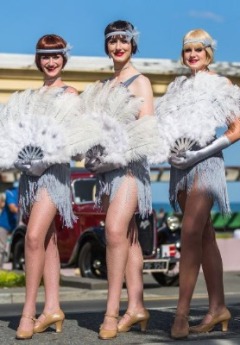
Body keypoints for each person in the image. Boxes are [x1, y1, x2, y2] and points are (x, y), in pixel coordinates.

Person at [156, 29, 240, 339]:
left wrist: (201, 152)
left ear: (209, 53)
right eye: (187, 49)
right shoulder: (177, 87)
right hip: (180, 169)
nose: (192, 54)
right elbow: (165, 127)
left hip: (206, 164)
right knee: (204, 237)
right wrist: (172, 154)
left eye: (199, 49)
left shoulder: (221, 84)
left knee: (190, 232)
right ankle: (218, 308)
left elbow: (237, 128)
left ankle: (181, 314)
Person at [88, 20, 154, 340]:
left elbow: (147, 130)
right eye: (112, 41)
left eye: (123, 41)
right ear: (106, 45)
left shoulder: (141, 82)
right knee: (128, 239)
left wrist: (117, 154)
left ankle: (111, 312)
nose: (118, 47)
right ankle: (137, 306)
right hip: (106, 174)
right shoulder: (102, 86)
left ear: (132, 44)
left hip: (129, 169)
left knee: (114, 231)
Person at [14, 34, 78, 340]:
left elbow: (74, 144)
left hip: (54, 175)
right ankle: (52, 308)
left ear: (64, 58)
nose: (50, 62)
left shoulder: (70, 94)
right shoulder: (30, 97)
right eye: (44, 56)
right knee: (49, 240)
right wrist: (22, 161)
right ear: (38, 60)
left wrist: (45, 161)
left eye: (55, 56)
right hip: (30, 177)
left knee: (34, 236)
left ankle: (28, 311)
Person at [0, 182, 18, 268]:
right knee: (1, 248)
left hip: (15, 225)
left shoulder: (24, 193)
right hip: (4, 225)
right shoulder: (11, 192)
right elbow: (12, 208)